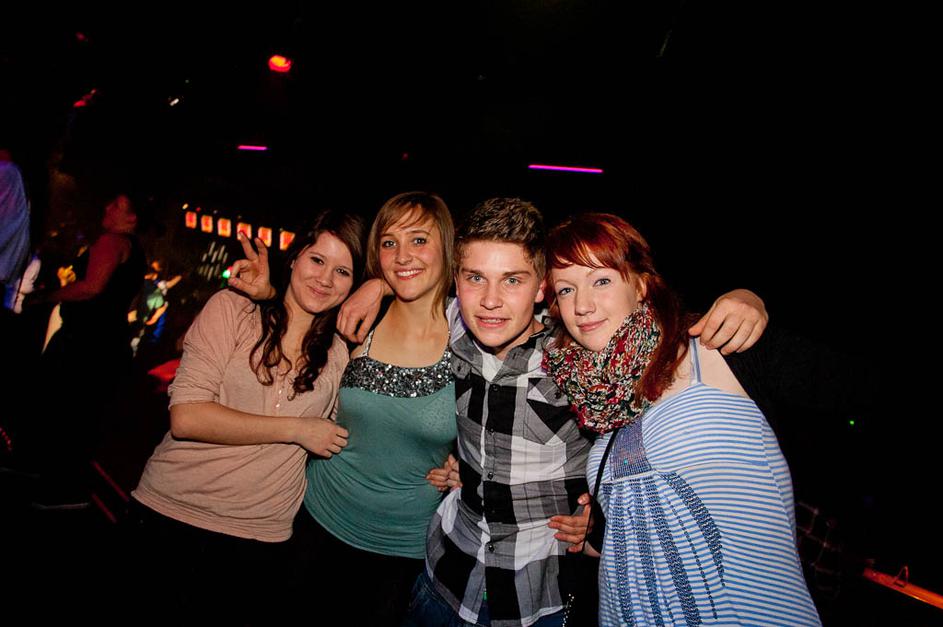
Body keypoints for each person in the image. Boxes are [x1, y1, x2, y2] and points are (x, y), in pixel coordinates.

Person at [340, 197, 768, 627]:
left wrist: (746, 297)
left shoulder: (580, 355)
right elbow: (416, 276)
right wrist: (375, 285)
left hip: (534, 597)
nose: (490, 301)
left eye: (512, 280)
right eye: (475, 278)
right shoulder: (454, 326)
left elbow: (649, 353)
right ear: (458, 280)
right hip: (445, 575)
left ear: (541, 287)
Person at [542, 212, 821, 625]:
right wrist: (595, 532)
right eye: (567, 289)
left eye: (601, 280)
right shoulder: (599, 401)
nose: (582, 305)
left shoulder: (716, 349)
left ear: (641, 285)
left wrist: (754, 297)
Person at [232, 192, 458, 625]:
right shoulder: (360, 317)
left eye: (418, 240)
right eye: (389, 243)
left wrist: (471, 467)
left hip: (402, 546)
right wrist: (269, 293)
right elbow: (302, 311)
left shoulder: (470, 335)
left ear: (446, 246)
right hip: (316, 520)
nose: (402, 255)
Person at [127, 209, 364, 622]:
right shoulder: (233, 309)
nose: (325, 279)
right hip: (172, 513)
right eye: (317, 260)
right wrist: (297, 429)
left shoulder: (340, 354)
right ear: (294, 257)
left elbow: (365, 426)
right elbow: (187, 418)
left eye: (342, 271)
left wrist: (446, 465)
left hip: (260, 537)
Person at [21, 191, 146, 507]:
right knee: (80, 416)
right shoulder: (136, 251)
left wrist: (45, 297)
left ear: (132, 218)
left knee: (60, 407)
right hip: (106, 342)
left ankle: (56, 484)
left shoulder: (112, 242)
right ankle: (62, 483)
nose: (107, 207)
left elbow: (91, 286)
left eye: (117, 205)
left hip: (86, 342)